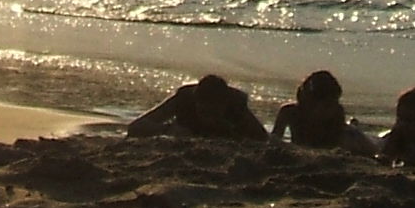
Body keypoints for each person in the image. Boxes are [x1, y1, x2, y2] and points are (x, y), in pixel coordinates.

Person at [124, 74, 267, 141]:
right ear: (196, 102)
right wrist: (167, 129)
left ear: (225, 104)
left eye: (214, 112)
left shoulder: (237, 107)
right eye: (204, 112)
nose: (209, 118)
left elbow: (262, 138)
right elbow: (135, 127)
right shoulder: (183, 100)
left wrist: (235, 134)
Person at [268, 69, 380, 155]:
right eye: (327, 104)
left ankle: (354, 125)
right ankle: (354, 123)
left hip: (352, 136)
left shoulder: (337, 111)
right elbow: (274, 140)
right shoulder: (289, 112)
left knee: (375, 147)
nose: (333, 107)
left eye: (335, 102)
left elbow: (338, 146)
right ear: (309, 102)